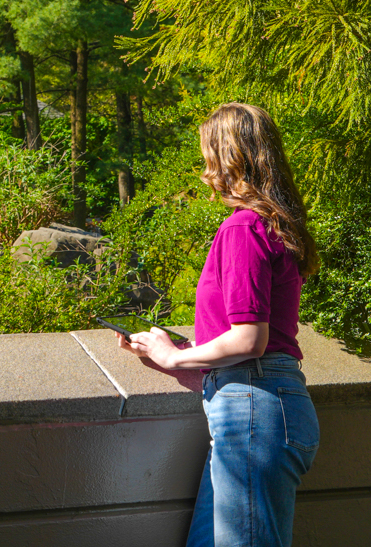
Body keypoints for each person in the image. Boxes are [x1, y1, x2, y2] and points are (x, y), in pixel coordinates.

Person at [118, 102, 321, 547]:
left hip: (254, 412)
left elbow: (250, 340)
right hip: (263, 407)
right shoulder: (274, 226)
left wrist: (175, 353)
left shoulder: (243, 228)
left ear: (227, 158)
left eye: (207, 155)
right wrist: (169, 358)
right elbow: (257, 347)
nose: (204, 168)